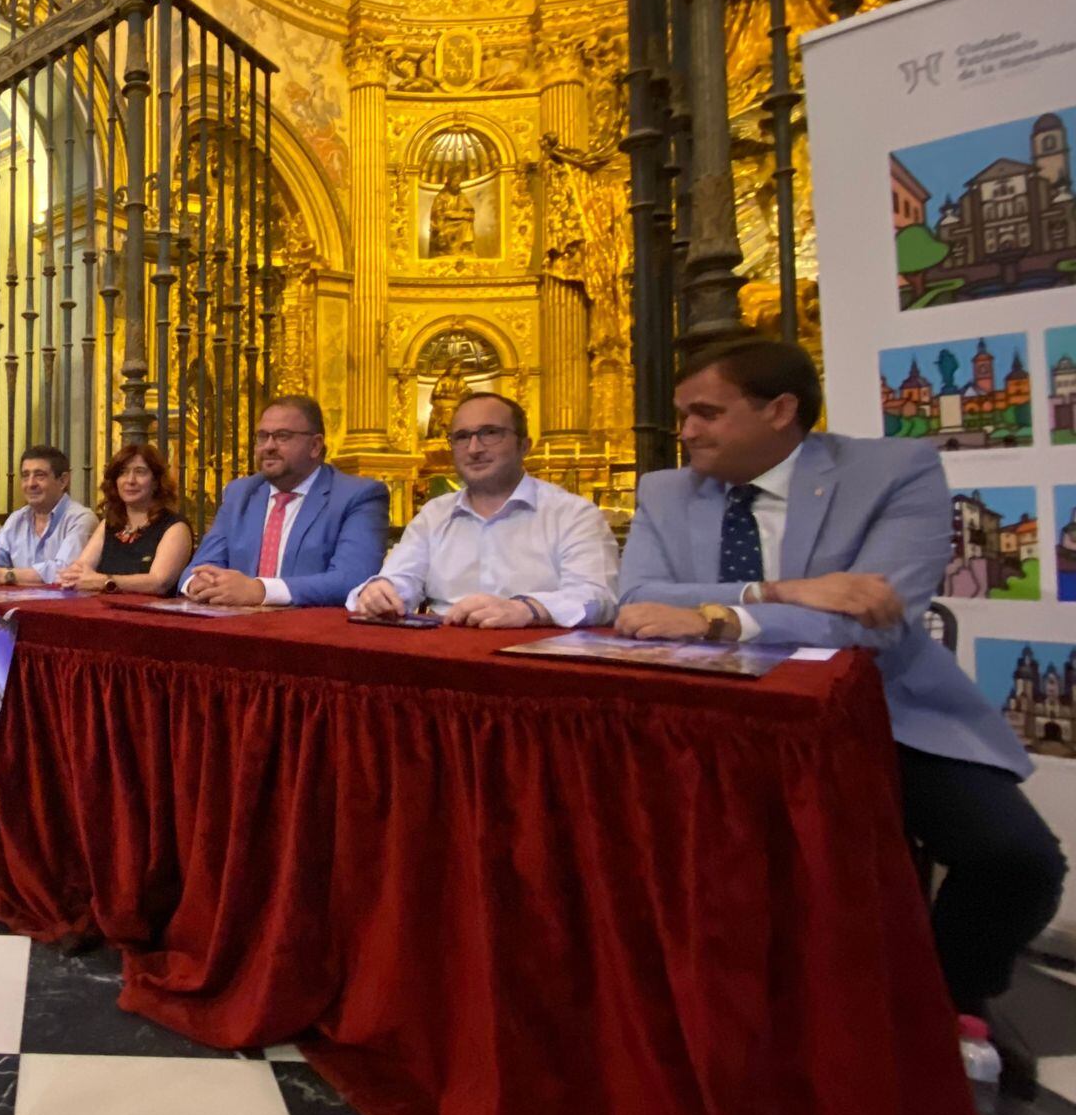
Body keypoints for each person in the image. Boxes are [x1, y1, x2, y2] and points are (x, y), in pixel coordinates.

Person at [617, 336, 1064, 1034]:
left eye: (706, 412)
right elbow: (639, 598)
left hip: (882, 708)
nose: (687, 431)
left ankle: (948, 1006)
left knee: (1017, 860)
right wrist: (784, 590)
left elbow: (875, 619)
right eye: (683, 414)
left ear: (780, 410)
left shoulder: (894, 471)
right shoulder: (666, 489)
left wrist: (717, 618)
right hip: (709, 717)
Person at [349, 392, 617, 627]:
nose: (474, 448)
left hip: (536, 652)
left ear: (524, 446)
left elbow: (598, 597)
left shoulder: (572, 514)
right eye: (462, 437)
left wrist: (527, 609)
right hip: (445, 651)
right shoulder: (434, 515)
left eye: (490, 433)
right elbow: (400, 579)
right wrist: (380, 591)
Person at [181, 395, 390, 607]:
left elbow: (352, 579)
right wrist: (197, 583)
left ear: (315, 445)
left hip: (310, 633)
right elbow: (198, 567)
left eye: (282, 436)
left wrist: (260, 590)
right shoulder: (240, 493)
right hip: (234, 628)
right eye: (262, 436)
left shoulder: (358, 496)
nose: (268, 446)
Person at [0, 444, 97, 587]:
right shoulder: (17, 519)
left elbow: (65, 573)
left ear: (63, 480)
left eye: (40, 475)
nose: (30, 484)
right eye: (25, 476)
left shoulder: (81, 519)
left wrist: (4, 575)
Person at [58, 441, 193, 595]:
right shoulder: (110, 523)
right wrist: (74, 575)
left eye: (140, 472)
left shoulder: (175, 527)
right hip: (105, 611)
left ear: (156, 482)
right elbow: (81, 568)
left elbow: (158, 582)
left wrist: (104, 581)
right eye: (122, 472)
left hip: (151, 615)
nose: (130, 480)